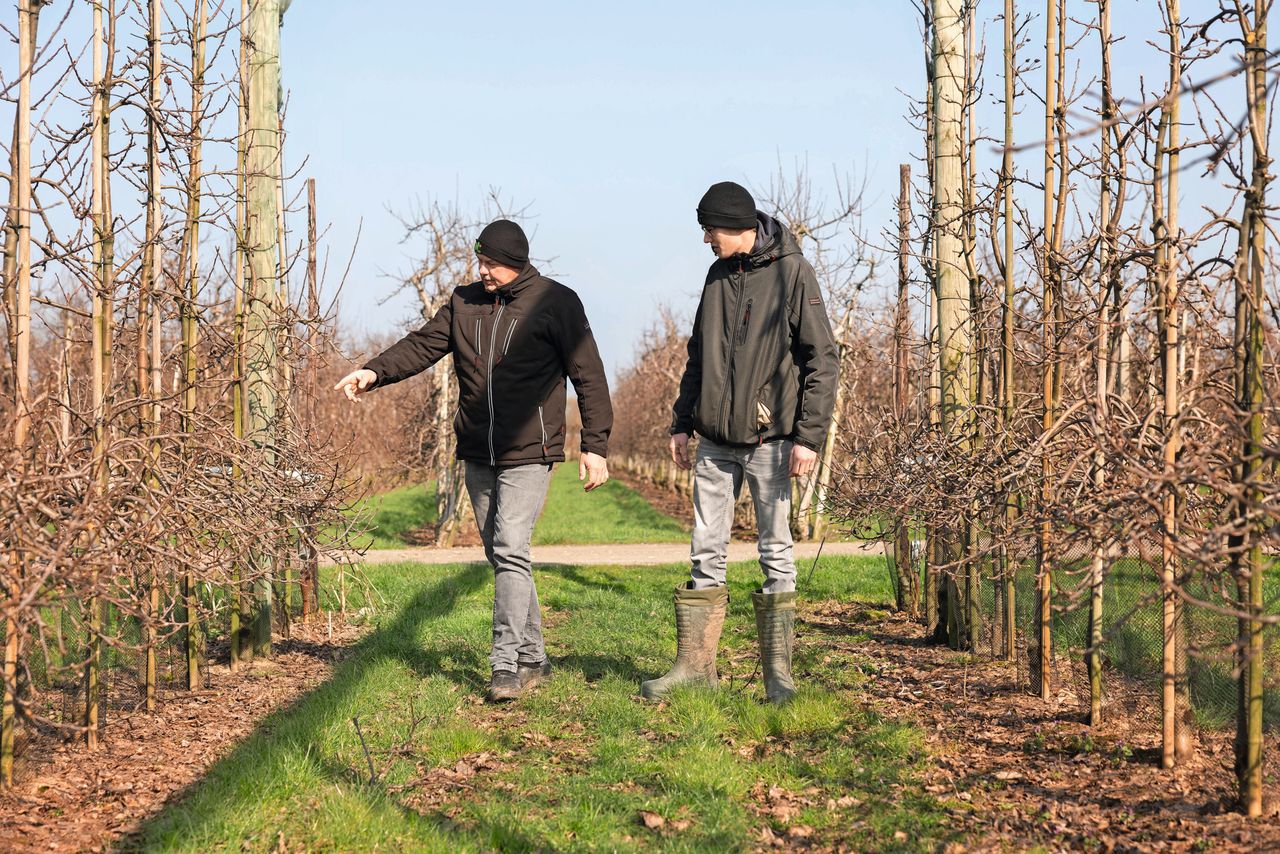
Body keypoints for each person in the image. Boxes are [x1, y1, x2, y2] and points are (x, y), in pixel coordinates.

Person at [335, 219, 612, 702]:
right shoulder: (465, 302)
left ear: (517, 261)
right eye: (479, 260)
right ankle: (536, 656)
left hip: (531, 449)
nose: (482, 270)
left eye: (492, 263)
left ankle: (504, 664)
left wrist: (596, 446)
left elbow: (589, 375)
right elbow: (423, 345)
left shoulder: (556, 302)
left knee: (509, 548)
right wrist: (373, 371)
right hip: (477, 449)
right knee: (504, 555)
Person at [640, 182, 838, 705]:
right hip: (713, 441)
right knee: (706, 550)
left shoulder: (793, 272)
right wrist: (682, 422)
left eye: (710, 229)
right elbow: (698, 356)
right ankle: (694, 668)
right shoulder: (716, 276)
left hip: (772, 441)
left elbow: (822, 358)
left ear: (736, 226)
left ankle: (779, 679)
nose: (705, 238)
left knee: (776, 553)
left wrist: (808, 437)